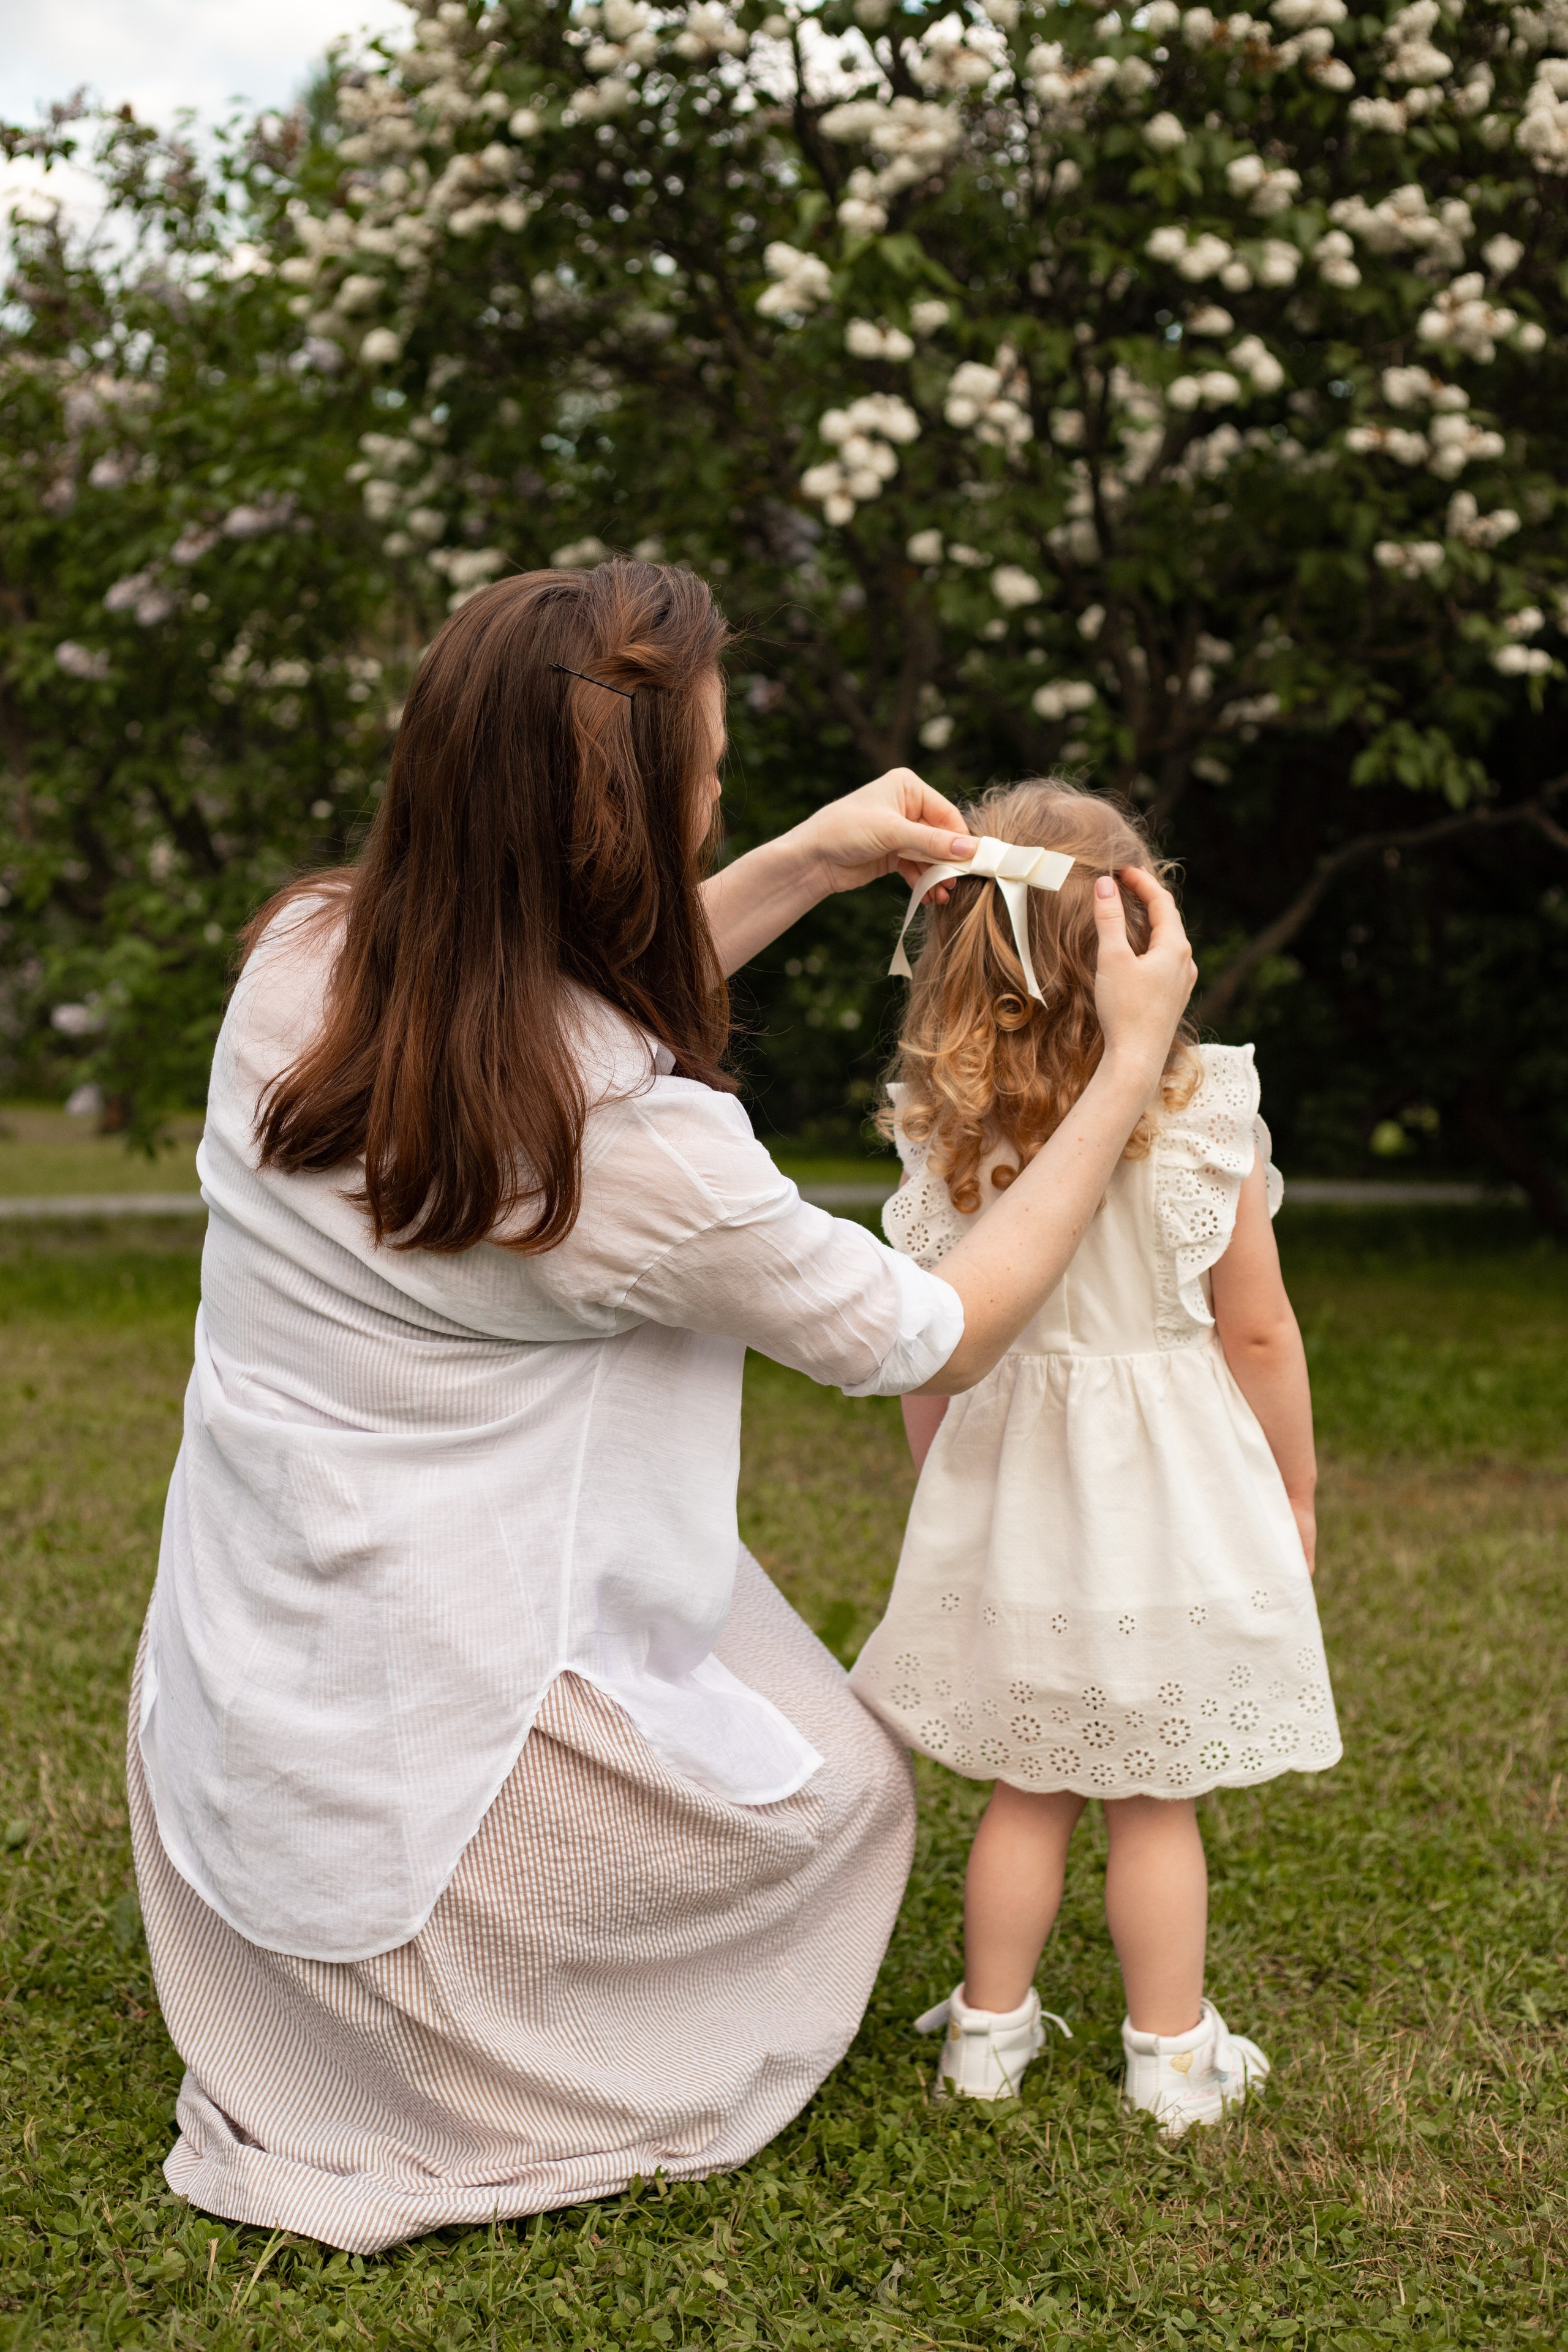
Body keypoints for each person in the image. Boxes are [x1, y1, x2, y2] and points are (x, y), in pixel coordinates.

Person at [126, 562, 1197, 2254]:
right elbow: (934, 1330)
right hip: (413, 1751)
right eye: (706, 780)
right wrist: (1131, 1061)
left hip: (243, 1691)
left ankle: (341, 1972)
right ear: (615, 833)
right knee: (849, 1803)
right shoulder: (641, 1152)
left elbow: (521, 1016)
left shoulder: (307, 958)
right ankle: (492, 2042)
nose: (719, 801)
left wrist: (813, 859)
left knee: (779, 1715)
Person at [850, 775, 1340, 2138]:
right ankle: (1168, 2054)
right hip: (1170, 1500)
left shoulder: (948, 1133)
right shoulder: (1200, 1118)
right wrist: (1292, 1489)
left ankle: (988, 2037)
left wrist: (941, 1480)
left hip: (1017, 1483)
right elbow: (1256, 1335)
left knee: (1029, 1780)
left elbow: (930, 1346)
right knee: (1152, 1796)